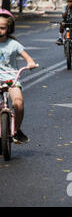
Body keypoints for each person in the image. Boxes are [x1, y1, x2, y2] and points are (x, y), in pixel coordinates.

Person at [0, 10, 38, 143]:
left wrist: (30, 63)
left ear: (9, 28)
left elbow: (28, 58)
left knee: (19, 103)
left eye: (2, 28)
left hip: (11, 79)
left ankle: (15, 130)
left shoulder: (14, 44)